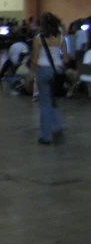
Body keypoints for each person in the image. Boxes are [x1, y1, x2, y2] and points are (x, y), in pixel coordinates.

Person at [29, 12, 69, 145]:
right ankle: (57, 125)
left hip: (43, 71)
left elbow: (35, 59)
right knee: (51, 101)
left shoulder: (39, 38)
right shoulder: (61, 38)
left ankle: (45, 136)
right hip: (57, 70)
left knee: (45, 104)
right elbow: (66, 57)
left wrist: (30, 74)